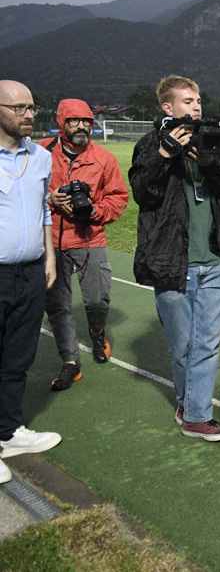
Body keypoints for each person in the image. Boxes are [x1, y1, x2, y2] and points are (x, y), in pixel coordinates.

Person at [130, 75, 220, 442]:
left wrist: (210, 162)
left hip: (212, 261)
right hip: (172, 264)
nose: (196, 107)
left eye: (197, 101)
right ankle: (186, 402)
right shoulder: (150, 145)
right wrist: (165, 154)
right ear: (168, 107)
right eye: (187, 101)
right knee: (182, 349)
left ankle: (196, 416)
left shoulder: (208, 141)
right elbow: (143, 193)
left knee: (206, 344)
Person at [41, 99, 129, 391]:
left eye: (87, 121)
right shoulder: (41, 152)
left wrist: (93, 211)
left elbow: (118, 197)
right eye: (75, 120)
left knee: (97, 299)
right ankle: (69, 362)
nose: (82, 126)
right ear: (61, 122)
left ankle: (97, 329)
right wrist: (49, 199)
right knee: (57, 305)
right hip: (51, 240)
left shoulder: (103, 158)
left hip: (91, 236)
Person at [0, 80, 62, 484]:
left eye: (32, 108)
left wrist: (51, 255)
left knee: (18, 358)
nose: (27, 114)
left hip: (32, 270)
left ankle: (8, 433)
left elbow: (43, 211)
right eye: (19, 108)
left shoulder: (40, 157)